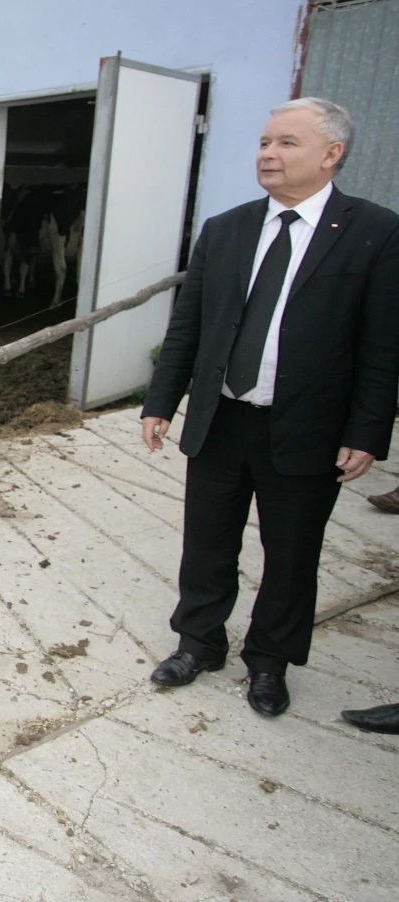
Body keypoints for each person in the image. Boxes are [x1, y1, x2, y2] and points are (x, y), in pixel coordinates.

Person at [140, 97, 399, 718]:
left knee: (291, 553)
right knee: (206, 543)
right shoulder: (226, 229)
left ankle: (269, 662)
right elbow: (189, 326)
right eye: (264, 141)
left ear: (331, 154)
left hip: (307, 426)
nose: (267, 154)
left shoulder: (374, 231)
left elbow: (383, 343)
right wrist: (161, 400)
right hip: (223, 418)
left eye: (286, 142)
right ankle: (199, 643)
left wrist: (368, 430)